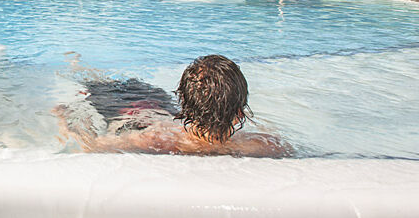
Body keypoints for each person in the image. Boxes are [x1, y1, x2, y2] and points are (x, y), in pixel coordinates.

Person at [54, 55, 290, 157]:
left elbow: (90, 146)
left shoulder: (159, 139)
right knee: (116, 83)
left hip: (127, 113)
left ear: (184, 103)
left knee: (98, 83)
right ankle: (79, 66)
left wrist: (65, 118)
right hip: (154, 109)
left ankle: (76, 65)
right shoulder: (261, 145)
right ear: (239, 113)